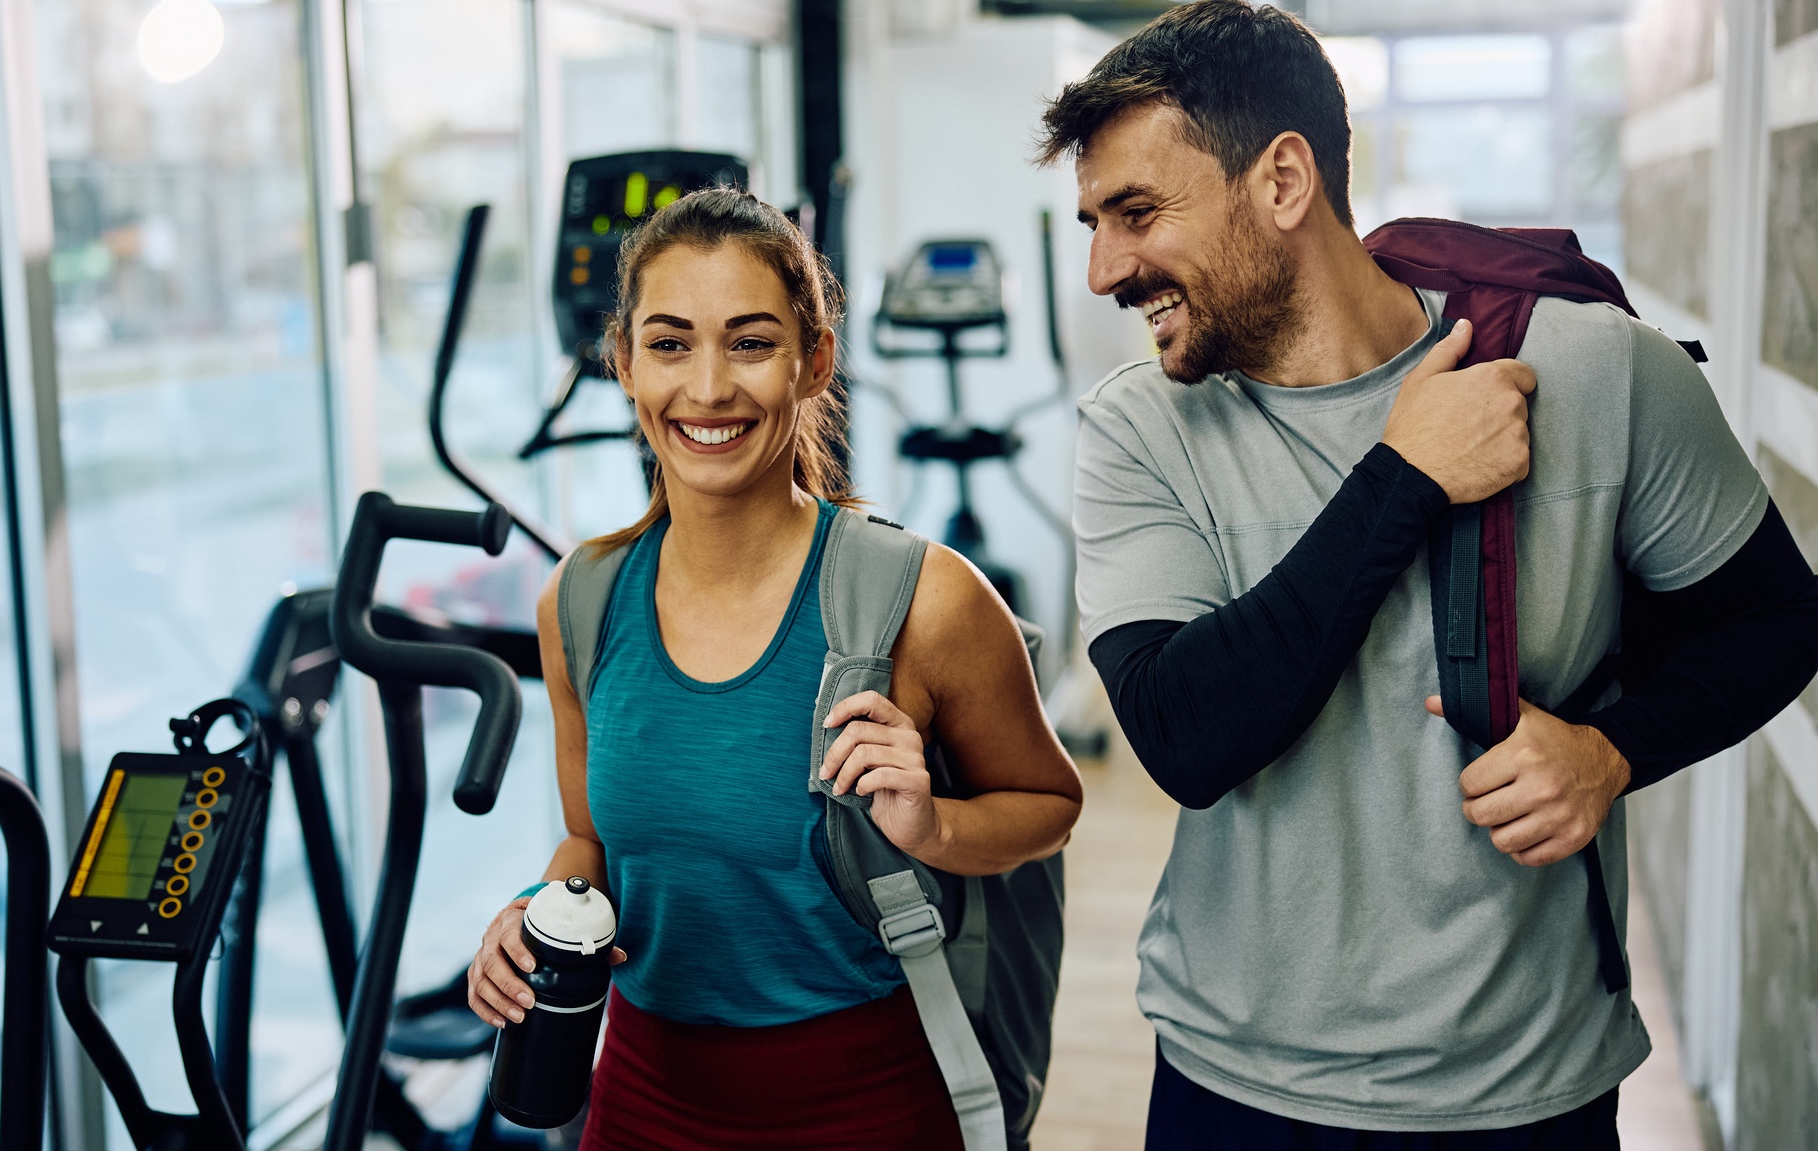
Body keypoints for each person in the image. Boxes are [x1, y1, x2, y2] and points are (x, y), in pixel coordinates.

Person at [1041, 1, 1818, 1146]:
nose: (1106, 266)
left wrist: (1612, 753)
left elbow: (1773, 621)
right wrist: (1401, 474)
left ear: (1282, 180)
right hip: (1234, 1077)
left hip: (1529, 1082)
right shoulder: (1135, 432)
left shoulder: (1595, 371)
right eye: (1091, 223)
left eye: (1136, 213)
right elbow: (1184, 736)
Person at [465, 188, 1083, 1150]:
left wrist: (932, 823)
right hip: (641, 1100)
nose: (708, 388)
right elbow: (590, 844)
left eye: (750, 342)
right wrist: (532, 916)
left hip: (867, 1101)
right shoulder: (580, 599)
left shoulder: (927, 596)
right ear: (623, 362)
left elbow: (1049, 805)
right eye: (670, 344)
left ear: (813, 361)